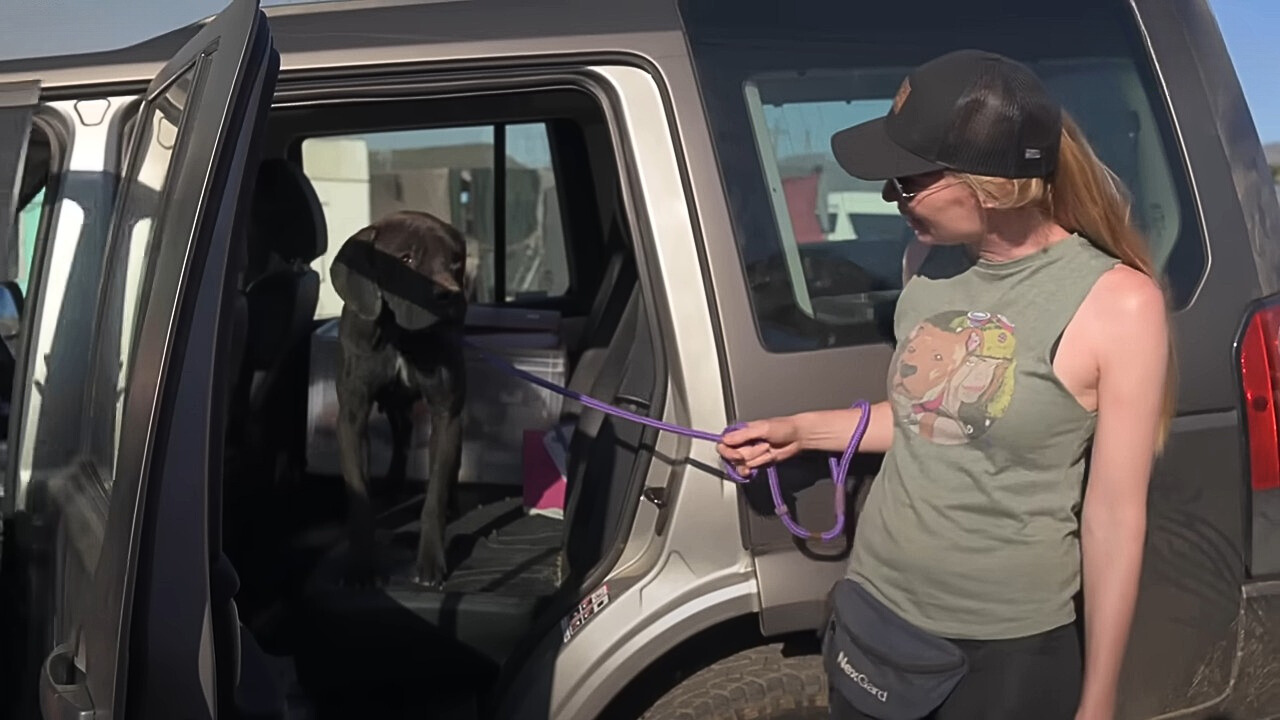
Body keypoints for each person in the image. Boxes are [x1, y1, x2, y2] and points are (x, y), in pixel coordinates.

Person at [717, 49, 1172, 720]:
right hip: (876, 610)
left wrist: (1098, 700)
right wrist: (801, 430)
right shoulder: (924, 261)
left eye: (905, 181)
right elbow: (929, 415)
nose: (889, 197)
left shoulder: (1118, 305)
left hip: (1003, 650)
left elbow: (1112, 519)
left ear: (989, 186)